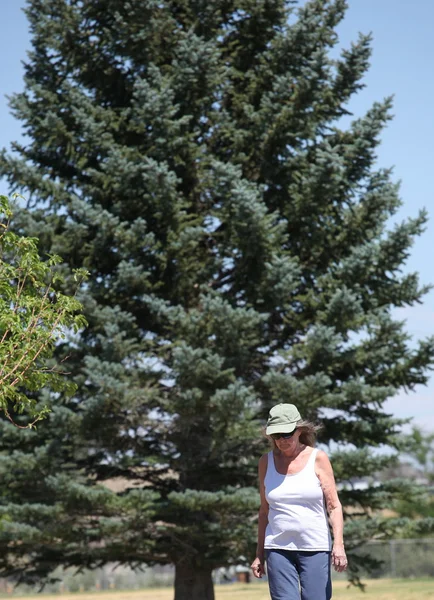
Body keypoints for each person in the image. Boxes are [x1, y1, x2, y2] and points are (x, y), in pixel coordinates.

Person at [250, 403, 347, 600]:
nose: (282, 441)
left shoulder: (317, 458)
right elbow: (264, 511)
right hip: (277, 548)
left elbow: (334, 506)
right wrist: (259, 554)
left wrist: (339, 545)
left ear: (299, 430)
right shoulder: (265, 462)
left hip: (315, 547)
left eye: (286, 434)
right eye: (276, 436)